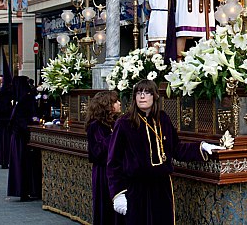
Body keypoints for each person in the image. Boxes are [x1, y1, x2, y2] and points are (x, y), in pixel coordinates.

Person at [107, 80, 225, 223]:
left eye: (146, 92)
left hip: (161, 186)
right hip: (135, 188)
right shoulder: (125, 122)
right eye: (138, 93)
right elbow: (113, 162)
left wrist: (202, 146)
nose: (142, 96)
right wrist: (118, 194)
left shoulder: (163, 118)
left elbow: (176, 149)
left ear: (155, 96)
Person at [86, 91, 121, 225]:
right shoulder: (95, 125)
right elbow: (98, 152)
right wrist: (116, 136)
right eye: (116, 101)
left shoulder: (115, 122)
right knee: (105, 206)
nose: (119, 104)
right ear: (108, 105)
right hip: (103, 172)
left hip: (115, 171)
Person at [7, 76, 39, 201]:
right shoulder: (25, 99)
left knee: (20, 163)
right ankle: (25, 190)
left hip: (18, 137)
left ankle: (22, 190)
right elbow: (27, 119)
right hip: (22, 137)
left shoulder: (20, 99)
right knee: (24, 163)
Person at [0, 53, 13, 169]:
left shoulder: (2, 94)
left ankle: (4, 159)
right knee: (7, 140)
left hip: (4, 120)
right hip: (6, 120)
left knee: (4, 140)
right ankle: (5, 159)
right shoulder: (4, 94)